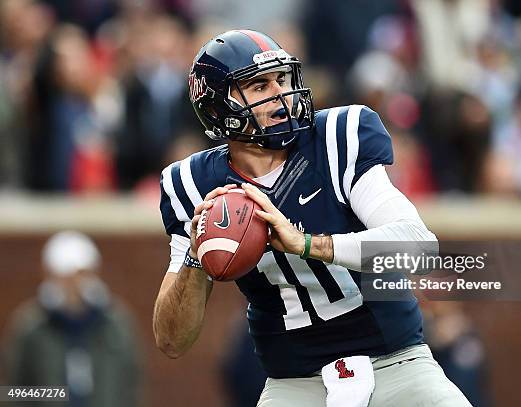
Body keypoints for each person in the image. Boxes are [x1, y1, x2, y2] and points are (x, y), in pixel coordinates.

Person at [152, 29, 471, 406]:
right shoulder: (192, 184)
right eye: (258, 86)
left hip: (396, 364)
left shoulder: (339, 137)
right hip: (294, 383)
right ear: (219, 107)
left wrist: (307, 244)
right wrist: (194, 253)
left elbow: (417, 248)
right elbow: (171, 340)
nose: (280, 95)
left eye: (281, 79)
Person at [3, 231, 141, 407]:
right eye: (66, 277)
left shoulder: (116, 326)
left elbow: (131, 386)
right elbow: (15, 391)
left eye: (81, 275)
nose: (74, 286)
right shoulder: (30, 328)